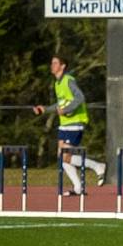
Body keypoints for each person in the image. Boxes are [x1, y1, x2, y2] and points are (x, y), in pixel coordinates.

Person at [33, 55, 106, 194]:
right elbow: (61, 103)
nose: (52, 65)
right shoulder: (57, 83)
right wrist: (46, 109)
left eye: (55, 63)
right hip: (64, 124)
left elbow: (80, 98)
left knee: (66, 157)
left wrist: (66, 110)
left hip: (75, 123)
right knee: (62, 158)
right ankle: (78, 188)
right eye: (51, 63)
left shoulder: (69, 80)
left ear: (63, 66)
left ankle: (98, 166)